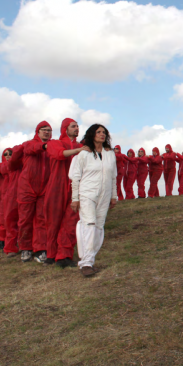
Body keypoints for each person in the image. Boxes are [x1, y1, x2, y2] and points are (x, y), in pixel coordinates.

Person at [69, 124, 118, 277]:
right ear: (92, 134)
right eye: (98, 132)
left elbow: (113, 177)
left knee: (98, 226)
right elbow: (75, 177)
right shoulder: (84, 154)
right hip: (87, 194)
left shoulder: (110, 154)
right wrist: (75, 198)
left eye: (104, 132)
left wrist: (113, 195)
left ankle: (88, 258)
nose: (102, 134)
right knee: (88, 224)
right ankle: (86, 263)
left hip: (105, 194)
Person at [43, 118, 84, 267]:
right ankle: (51, 254)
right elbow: (58, 154)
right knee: (53, 221)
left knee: (71, 221)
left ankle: (64, 256)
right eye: (73, 126)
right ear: (65, 128)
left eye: (78, 126)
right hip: (57, 186)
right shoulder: (55, 143)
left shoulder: (82, 146)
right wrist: (77, 151)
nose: (77, 129)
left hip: (75, 187)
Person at [17, 121, 53, 263]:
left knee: (42, 219)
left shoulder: (52, 146)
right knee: (25, 219)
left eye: (49, 130)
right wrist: (45, 146)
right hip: (27, 187)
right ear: (37, 132)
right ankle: (25, 247)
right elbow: (32, 149)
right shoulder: (29, 144)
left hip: (44, 188)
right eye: (43, 130)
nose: (46, 132)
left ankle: (40, 249)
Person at [3, 144, 24, 257]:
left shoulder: (23, 164)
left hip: (24, 193)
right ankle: (10, 247)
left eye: (10, 154)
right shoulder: (8, 166)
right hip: (11, 196)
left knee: (24, 221)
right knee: (10, 221)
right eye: (5, 154)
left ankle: (23, 245)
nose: (8, 156)